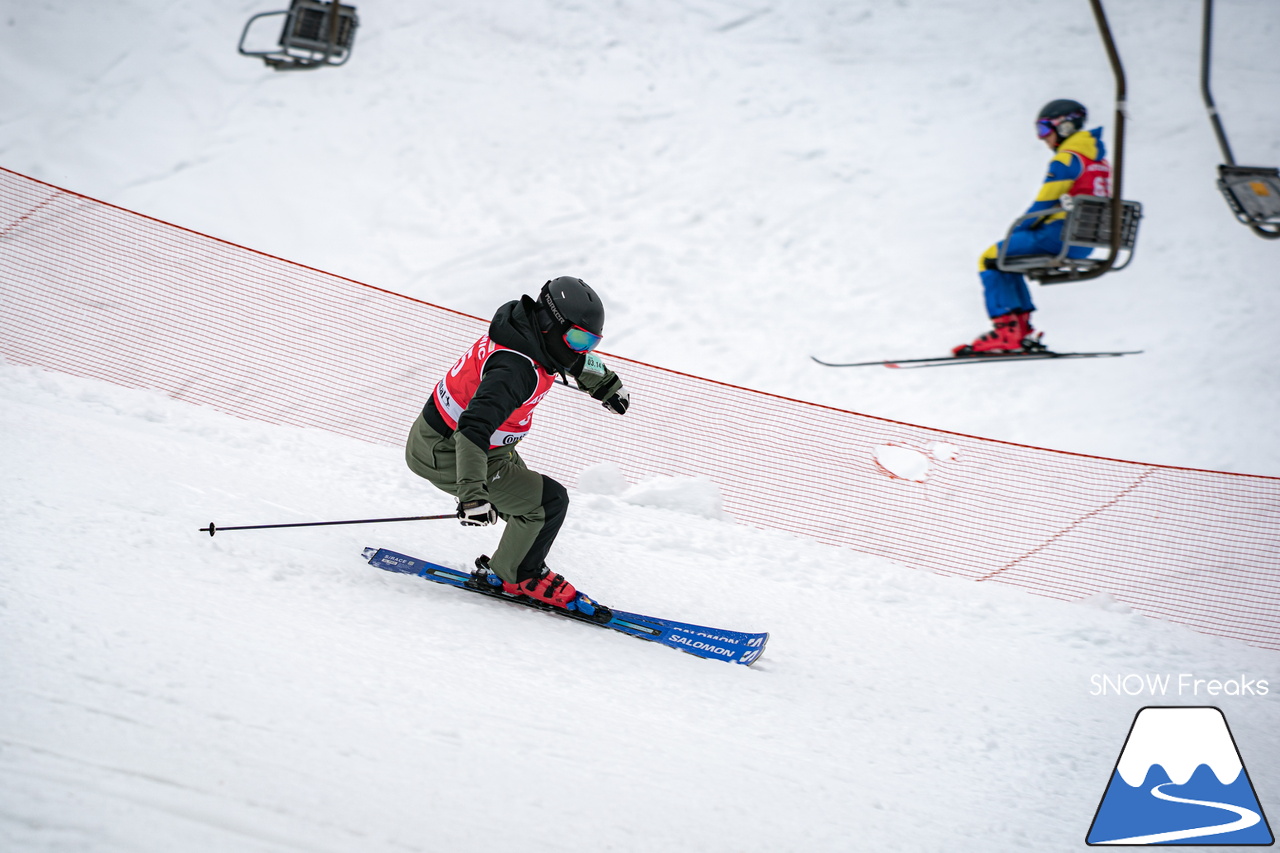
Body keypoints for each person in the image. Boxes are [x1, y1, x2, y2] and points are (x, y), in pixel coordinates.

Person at [404, 276, 629, 617]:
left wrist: (606, 384)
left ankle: (512, 564)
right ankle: (517, 576)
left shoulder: (528, 332)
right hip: (446, 450)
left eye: (590, 342)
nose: (581, 349)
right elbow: (473, 428)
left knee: (531, 506)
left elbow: (572, 359)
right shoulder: (514, 368)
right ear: (550, 324)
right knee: (548, 503)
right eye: (577, 339)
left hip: (475, 445)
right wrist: (472, 495)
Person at [954, 99, 1113, 355]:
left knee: (990, 258)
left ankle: (1007, 331)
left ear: (1064, 127)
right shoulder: (1100, 162)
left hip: (1058, 236)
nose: (1042, 138)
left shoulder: (1067, 159)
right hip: (1085, 242)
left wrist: (1019, 229)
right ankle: (1019, 330)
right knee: (1008, 259)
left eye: (1043, 129)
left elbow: (1045, 202)